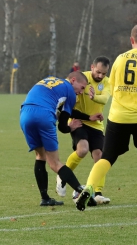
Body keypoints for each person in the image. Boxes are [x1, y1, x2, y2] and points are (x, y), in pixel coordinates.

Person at [76, 24, 137, 214]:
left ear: (131, 40)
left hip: (118, 116)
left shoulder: (120, 59)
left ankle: (89, 187)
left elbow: (113, 86)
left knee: (107, 156)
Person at [20, 71, 96, 206]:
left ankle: (45, 198)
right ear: (73, 80)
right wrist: (70, 127)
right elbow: (62, 126)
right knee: (55, 163)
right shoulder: (70, 92)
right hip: (43, 115)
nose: (81, 91)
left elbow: (61, 108)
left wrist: (88, 117)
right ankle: (81, 191)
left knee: (40, 156)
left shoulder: (50, 80)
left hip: (25, 114)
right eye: (82, 87)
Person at [56, 56, 111, 205]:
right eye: (98, 72)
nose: (100, 76)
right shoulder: (82, 78)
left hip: (96, 124)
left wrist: (95, 98)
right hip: (79, 121)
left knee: (100, 156)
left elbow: (105, 98)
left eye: (104, 73)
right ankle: (63, 174)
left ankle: (97, 193)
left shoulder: (107, 82)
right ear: (92, 67)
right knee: (82, 150)